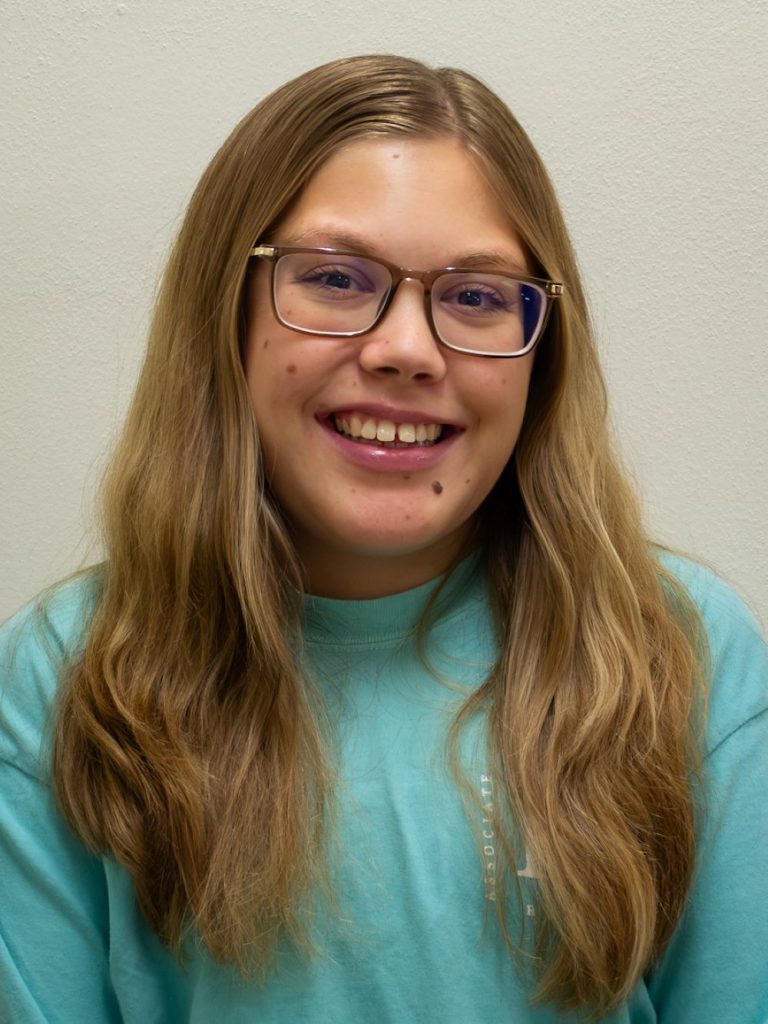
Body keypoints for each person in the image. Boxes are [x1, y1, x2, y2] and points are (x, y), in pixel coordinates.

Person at [1, 54, 766, 1024]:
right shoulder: (61, 686)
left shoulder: (687, 659)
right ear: (224, 315)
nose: (405, 348)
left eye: (478, 296)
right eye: (332, 276)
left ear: (542, 356)